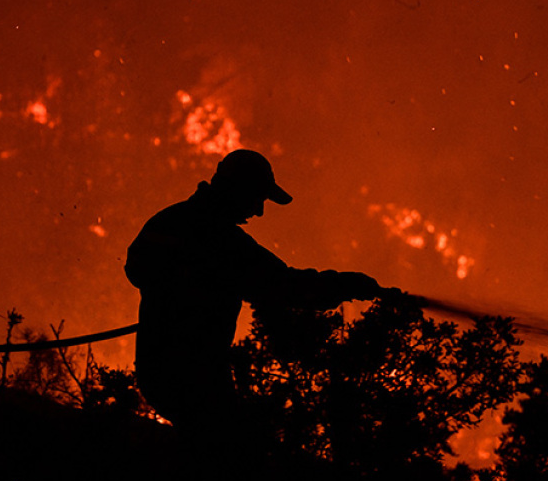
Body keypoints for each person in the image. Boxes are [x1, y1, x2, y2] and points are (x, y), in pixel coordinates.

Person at [124, 149, 383, 448]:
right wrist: (348, 284)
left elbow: (136, 268)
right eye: (257, 198)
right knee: (231, 455)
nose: (259, 211)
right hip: (195, 373)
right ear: (238, 190)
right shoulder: (223, 242)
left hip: (159, 368)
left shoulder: (169, 221)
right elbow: (285, 286)